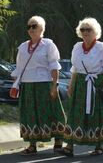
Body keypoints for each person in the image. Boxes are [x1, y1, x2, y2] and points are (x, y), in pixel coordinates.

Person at [60, 17, 103, 157]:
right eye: (83, 29)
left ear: (95, 32)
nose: (85, 32)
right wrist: (71, 85)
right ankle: (70, 145)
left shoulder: (101, 47)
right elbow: (75, 68)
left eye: (88, 29)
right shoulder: (77, 47)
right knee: (74, 113)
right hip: (80, 84)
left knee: (96, 114)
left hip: (96, 84)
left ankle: (98, 145)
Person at [11, 15, 66, 155]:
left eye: (34, 26)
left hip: (45, 83)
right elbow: (18, 68)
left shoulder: (48, 45)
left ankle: (58, 141)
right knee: (30, 113)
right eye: (29, 26)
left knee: (52, 112)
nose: (31, 29)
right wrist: (15, 85)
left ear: (42, 28)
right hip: (28, 85)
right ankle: (32, 145)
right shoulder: (23, 47)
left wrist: (55, 85)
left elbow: (54, 66)